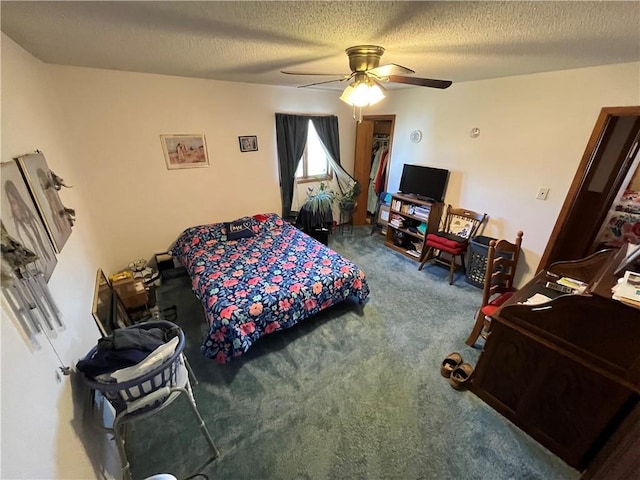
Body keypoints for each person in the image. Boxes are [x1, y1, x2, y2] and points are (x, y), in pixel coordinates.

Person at [4, 179, 53, 272]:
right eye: (10, 203)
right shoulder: (17, 230)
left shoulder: (33, 221)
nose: (12, 208)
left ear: (19, 202)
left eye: (13, 203)